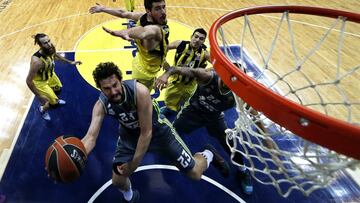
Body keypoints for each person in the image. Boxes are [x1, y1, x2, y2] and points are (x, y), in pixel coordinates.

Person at [81, 62, 229, 202]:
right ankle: (130, 197)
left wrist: (133, 165)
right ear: (100, 89)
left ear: (121, 80)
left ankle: (207, 154)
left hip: (159, 133)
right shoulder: (101, 105)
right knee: (118, 180)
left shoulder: (139, 92)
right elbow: (90, 137)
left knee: (195, 173)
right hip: (130, 137)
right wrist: (77, 155)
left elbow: (146, 133)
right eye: (107, 88)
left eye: (115, 85)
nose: (113, 91)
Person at [155, 66, 261, 195]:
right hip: (193, 112)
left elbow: (254, 113)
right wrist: (166, 75)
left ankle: (243, 170)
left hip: (214, 117)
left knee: (229, 143)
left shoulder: (238, 92)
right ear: (224, 75)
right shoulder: (207, 76)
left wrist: (265, 135)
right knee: (172, 136)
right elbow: (177, 69)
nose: (233, 85)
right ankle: (209, 153)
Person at [89, 0, 169, 90]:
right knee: (141, 98)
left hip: (142, 61)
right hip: (146, 74)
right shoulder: (155, 30)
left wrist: (104, 9)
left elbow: (123, 13)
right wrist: (126, 32)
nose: (163, 12)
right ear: (148, 11)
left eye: (163, 7)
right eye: (157, 9)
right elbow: (144, 32)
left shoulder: (143, 17)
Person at [26, 33, 82, 121]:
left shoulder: (50, 49)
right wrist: (39, 96)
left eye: (49, 41)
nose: (49, 44)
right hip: (40, 83)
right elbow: (28, 81)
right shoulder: (37, 62)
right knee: (48, 102)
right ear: (40, 45)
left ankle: (55, 99)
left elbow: (55, 55)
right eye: (45, 43)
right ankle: (42, 110)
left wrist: (70, 62)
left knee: (58, 88)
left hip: (50, 75)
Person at [159, 28, 211, 117]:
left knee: (187, 102)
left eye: (201, 39)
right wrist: (163, 62)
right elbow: (162, 49)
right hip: (176, 81)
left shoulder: (205, 53)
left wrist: (206, 72)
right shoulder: (181, 44)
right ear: (191, 36)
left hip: (190, 85)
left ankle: (181, 112)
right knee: (169, 99)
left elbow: (217, 65)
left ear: (203, 41)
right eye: (196, 37)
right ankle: (169, 108)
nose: (197, 40)